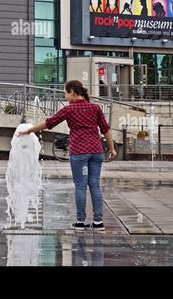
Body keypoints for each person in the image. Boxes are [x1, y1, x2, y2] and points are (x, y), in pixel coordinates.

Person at [18, 80, 117, 231]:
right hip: (96, 152)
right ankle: (98, 222)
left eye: (65, 92)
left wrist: (28, 130)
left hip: (80, 153)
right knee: (95, 185)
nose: (64, 96)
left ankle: (80, 221)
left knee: (80, 186)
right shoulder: (95, 108)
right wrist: (112, 149)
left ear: (72, 92)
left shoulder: (69, 109)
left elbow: (48, 123)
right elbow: (105, 129)